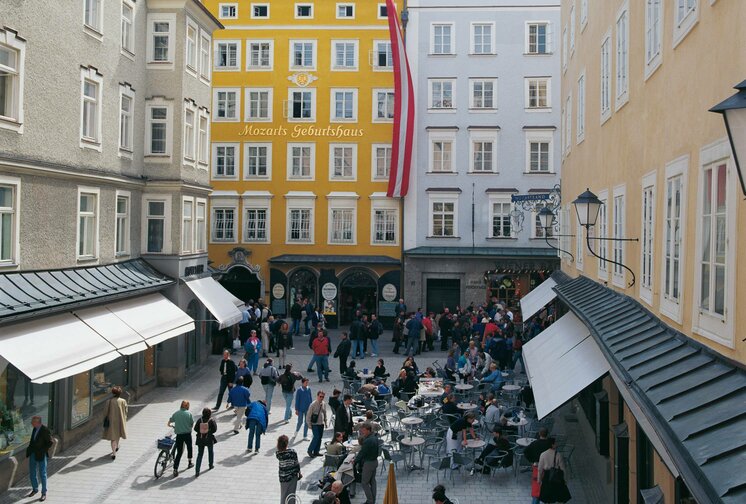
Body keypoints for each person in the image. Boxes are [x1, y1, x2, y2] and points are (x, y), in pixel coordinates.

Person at [25, 416, 53, 501]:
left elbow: (50, 442)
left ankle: (43, 493)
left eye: (33, 422)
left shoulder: (45, 430)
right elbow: (32, 441)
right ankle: (35, 489)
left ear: (38, 422)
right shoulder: (34, 429)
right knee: (32, 472)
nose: (31, 423)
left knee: (42, 473)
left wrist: (43, 451)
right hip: (33, 453)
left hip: (41, 454)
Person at [537, 437, 571, 503]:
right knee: (559, 497)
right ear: (552, 445)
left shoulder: (543, 454)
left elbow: (540, 469)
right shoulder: (558, 455)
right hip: (556, 477)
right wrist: (565, 480)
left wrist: (539, 480)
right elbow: (563, 469)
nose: (556, 444)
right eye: (555, 443)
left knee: (547, 497)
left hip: (547, 478)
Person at [168, 400, 194, 477]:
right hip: (187, 434)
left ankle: (175, 468)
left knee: (179, 452)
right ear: (186, 406)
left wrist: (169, 424)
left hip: (179, 435)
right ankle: (189, 462)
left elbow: (170, 420)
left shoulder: (176, 413)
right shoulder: (189, 414)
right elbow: (191, 424)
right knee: (189, 447)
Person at [355, 423, 379, 504]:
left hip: (369, 463)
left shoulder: (367, 441)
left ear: (368, 430)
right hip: (375, 461)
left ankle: (370, 501)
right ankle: (373, 499)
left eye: (364, 430)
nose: (362, 432)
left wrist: (354, 462)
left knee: (364, 483)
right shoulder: (375, 437)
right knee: (372, 481)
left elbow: (362, 453)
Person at [102, 386, 128, 459]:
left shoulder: (109, 401)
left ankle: (114, 453)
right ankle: (117, 446)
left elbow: (105, 412)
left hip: (111, 421)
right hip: (120, 421)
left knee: (113, 437)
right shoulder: (123, 401)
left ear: (113, 393)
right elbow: (126, 411)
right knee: (118, 434)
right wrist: (124, 418)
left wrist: (104, 419)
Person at [277, 434, 302, 504]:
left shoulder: (278, 454)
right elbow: (296, 464)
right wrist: (299, 473)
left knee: (283, 495)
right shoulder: (292, 452)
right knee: (291, 494)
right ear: (287, 443)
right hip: (292, 476)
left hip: (283, 477)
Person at [193, 408, 217, 477]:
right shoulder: (211, 420)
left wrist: (201, 431)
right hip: (209, 439)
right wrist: (209, 431)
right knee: (210, 451)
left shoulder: (200, 420)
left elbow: (195, 429)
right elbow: (215, 429)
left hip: (200, 439)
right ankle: (210, 465)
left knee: (200, 454)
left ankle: (197, 471)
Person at [306, 390, 327, 457]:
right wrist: (309, 424)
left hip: (321, 423)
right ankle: (310, 450)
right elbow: (308, 415)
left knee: (319, 438)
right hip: (315, 424)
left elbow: (325, 413)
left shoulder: (323, 403)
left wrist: (325, 421)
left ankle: (316, 451)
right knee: (316, 437)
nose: (321, 398)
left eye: (323, 397)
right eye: (320, 396)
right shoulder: (313, 404)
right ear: (317, 396)